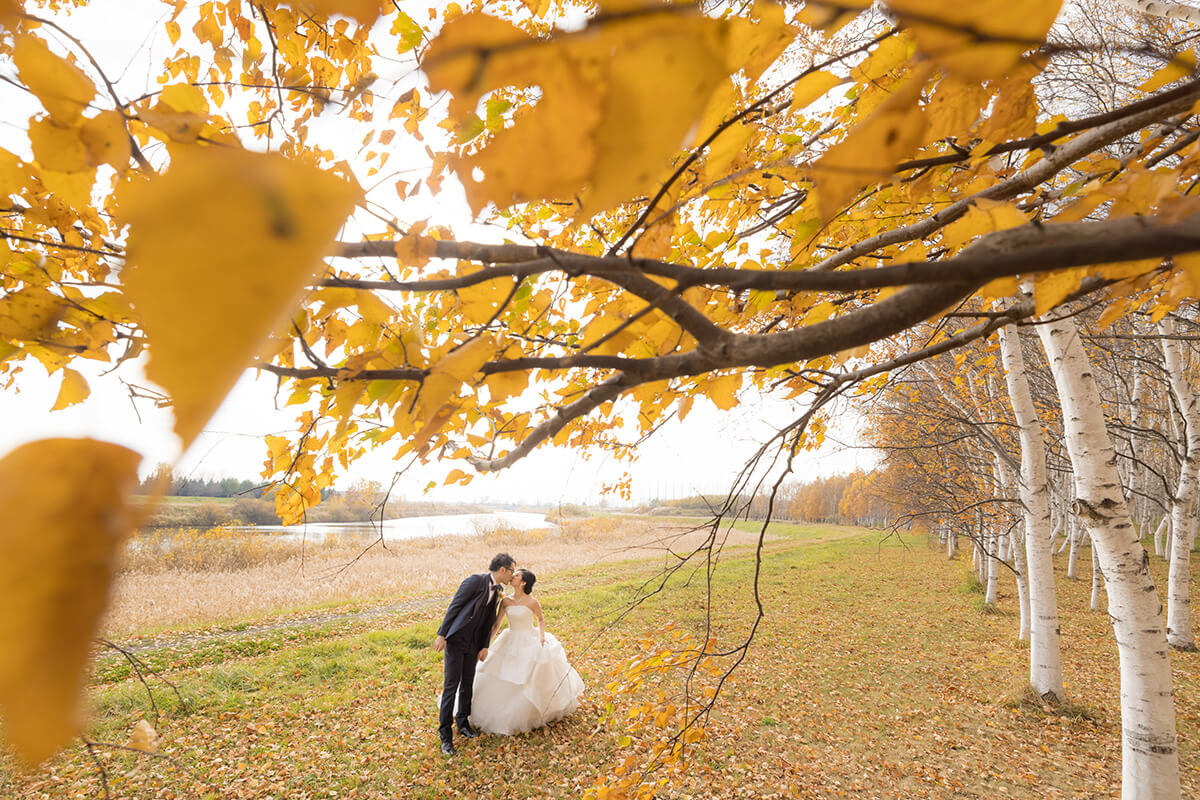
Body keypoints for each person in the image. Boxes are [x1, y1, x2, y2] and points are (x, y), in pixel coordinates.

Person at [468, 568, 585, 735]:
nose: (512, 577)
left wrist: (542, 637)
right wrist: (486, 645)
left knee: (529, 674)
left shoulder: (532, 602)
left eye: (516, 576)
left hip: (529, 638)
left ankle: (531, 711)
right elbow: (497, 625)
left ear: (523, 583)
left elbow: (541, 619)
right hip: (510, 639)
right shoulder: (506, 601)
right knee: (500, 671)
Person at [434, 553, 515, 755]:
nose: (512, 575)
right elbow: (455, 606)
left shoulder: (498, 591)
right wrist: (442, 634)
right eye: (511, 570)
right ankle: (445, 737)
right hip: (456, 640)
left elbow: (488, 621)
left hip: (473, 644)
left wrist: (484, 645)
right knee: (451, 686)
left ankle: (463, 723)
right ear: (502, 569)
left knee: (468, 683)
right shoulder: (475, 581)